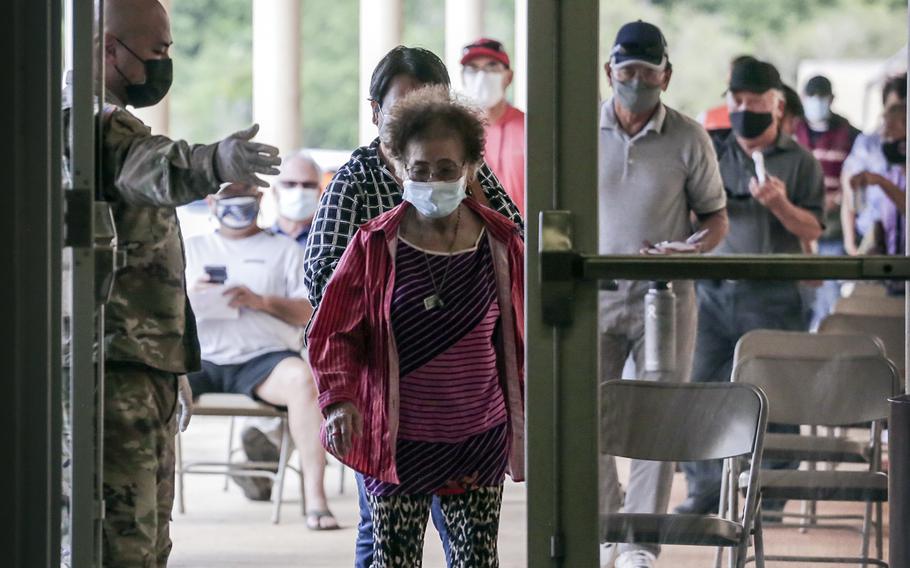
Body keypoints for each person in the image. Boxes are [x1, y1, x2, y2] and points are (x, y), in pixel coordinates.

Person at [60, 0, 281, 564]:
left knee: (149, 539)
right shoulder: (89, 125)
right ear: (109, 49)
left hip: (140, 365)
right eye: (155, 51)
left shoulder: (94, 121)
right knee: (123, 544)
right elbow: (149, 164)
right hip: (113, 371)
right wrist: (215, 163)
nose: (163, 63)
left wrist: (171, 364)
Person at [302, 45, 523, 568]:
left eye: (447, 168)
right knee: (388, 554)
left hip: (477, 431)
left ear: (469, 165)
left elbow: (518, 309)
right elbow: (327, 307)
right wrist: (341, 395)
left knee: (474, 557)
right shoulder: (368, 227)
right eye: (420, 169)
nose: (433, 180)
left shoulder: (495, 231)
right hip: (394, 428)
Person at [597, 20, 729, 568]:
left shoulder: (689, 137)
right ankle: (604, 526)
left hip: (665, 297)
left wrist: (692, 251)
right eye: (626, 72)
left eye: (648, 73)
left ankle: (640, 544)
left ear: (666, 77)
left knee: (658, 415)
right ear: (610, 73)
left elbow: (716, 217)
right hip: (593, 294)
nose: (636, 82)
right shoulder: (580, 128)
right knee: (589, 412)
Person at [679, 58, 824, 516]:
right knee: (701, 387)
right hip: (713, 292)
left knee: (775, 395)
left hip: (774, 295)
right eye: (737, 101)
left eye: (755, 102)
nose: (745, 109)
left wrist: (780, 204)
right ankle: (703, 489)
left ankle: (772, 494)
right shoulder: (713, 152)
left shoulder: (800, 162)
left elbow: (814, 227)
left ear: (776, 106)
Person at [183, 182, 338, 530]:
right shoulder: (191, 249)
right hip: (202, 357)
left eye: (246, 195)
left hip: (264, 359)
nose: (238, 205)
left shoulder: (284, 250)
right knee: (159, 383)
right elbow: (163, 312)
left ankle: (316, 498)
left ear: (260, 199)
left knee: (302, 380)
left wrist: (261, 301)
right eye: (227, 196)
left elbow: (307, 312)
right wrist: (191, 298)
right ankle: (155, 496)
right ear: (210, 203)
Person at [236, 150, 324, 498]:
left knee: (304, 365)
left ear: (319, 191)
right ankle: (265, 454)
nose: (298, 191)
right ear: (274, 190)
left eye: (307, 185)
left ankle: (265, 452)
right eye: (289, 183)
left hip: (314, 337)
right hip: (264, 341)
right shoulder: (256, 241)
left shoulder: (330, 241)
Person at [794, 75, 861, 328]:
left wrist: (841, 197)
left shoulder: (850, 134)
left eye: (822, 97)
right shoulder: (793, 132)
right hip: (800, 228)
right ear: (803, 99)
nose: (817, 103)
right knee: (802, 295)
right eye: (812, 97)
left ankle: (823, 343)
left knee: (829, 294)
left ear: (832, 99)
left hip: (833, 228)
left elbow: (857, 176)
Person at [841, 74, 907, 256]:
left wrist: (880, 182)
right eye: (895, 109)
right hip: (876, 246)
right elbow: (849, 194)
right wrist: (851, 243)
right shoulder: (867, 144)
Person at [848, 100, 906, 294]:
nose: (884, 136)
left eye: (891, 129)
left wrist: (882, 182)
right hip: (893, 280)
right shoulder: (895, 176)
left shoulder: (887, 181)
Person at [461, 38, 526, 214]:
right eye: (473, 69)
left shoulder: (529, 129)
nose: (482, 76)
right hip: (476, 235)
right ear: (463, 77)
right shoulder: (458, 133)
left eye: (491, 67)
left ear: (509, 77)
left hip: (524, 235)